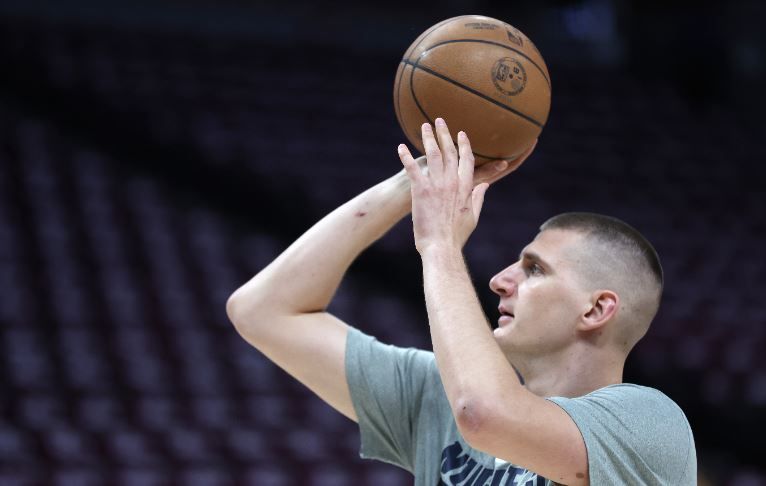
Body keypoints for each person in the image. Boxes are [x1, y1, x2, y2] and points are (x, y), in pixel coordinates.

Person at [226, 118, 697, 485]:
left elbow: (483, 414)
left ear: (595, 310)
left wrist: (440, 246)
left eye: (534, 269)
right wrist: (414, 183)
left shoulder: (649, 424)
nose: (499, 280)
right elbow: (262, 311)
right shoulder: (439, 397)